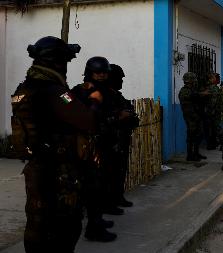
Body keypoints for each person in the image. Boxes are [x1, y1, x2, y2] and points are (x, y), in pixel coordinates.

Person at [12, 36, 97, 252]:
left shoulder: (25, 88)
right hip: (59, 170)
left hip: (36, 166)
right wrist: (94, 100)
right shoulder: (57, 91)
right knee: (65, 224)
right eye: (66, 61)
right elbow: (86, 120)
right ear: (58, 62)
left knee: (37, 222)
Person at [71, 56, 119, 242]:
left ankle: (96, 220)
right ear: (89, 72)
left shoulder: (107, 91)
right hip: (90, 146)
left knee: (101, 186)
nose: (100, 75)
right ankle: (93, 227)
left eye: (103, 72)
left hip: (104, 144)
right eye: (97, 72)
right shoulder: (81, 91)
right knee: (92, 187)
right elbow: (82, 117)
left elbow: (110, 113)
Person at [106, 64, 139, 208]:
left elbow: (130, 113)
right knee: (109, 174)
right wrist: (118, 117)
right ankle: (108, 203)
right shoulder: (102, 96)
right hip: (108, 141)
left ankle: (118, 197)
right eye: (119, 78)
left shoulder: (117, 96)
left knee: (120, 171)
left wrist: (130, 116)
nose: (122, 82)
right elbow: (97, 118)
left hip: (121, 139)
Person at [178, 72, 207, 161]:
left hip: (196, 115)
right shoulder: (184, 90)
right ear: (189, 81)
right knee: (192, 135)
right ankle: (190, 155)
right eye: (193, 80)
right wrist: (202, 94)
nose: (194, 82)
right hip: (190, 116)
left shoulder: (192, 89)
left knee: (199, 134)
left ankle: (196, 153)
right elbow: (192, 96)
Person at [205, 72, 221, 150]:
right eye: (216, 77)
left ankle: (212, 143)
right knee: (213, 129)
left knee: (212, 129)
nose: (218, 79)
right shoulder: (213, 87)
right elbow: (213, 102)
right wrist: (213, 111)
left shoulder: (211, 87)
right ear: (211, 79)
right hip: (212, 112)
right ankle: (211, 144)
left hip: (211, 111)